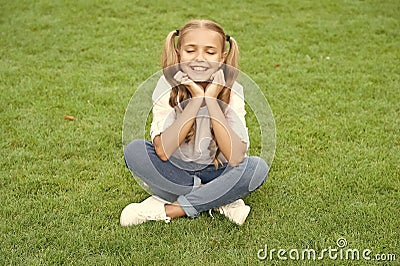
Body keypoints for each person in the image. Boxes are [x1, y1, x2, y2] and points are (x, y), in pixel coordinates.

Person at [120, 19, 269, 226]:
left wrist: (212, 100)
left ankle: (170, 209)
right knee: (135, 151)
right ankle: (217, 199)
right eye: (191, 50)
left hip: (218, 172)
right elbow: (163, 151)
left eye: (210, 52)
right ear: (179, 53)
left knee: (257, 168)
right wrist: (196, 100)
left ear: (222, 57)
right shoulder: (166, 86)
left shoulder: (233, 89)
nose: (200, 58)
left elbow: (235, 157)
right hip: (176, 172)